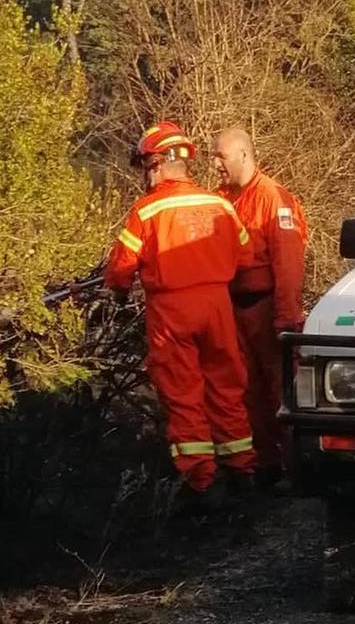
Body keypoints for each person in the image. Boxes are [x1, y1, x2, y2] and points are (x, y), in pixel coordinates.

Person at [105, 121, 257, 509]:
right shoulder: (220, 204)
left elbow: (122, 267)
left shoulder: (147, 209)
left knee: (183, 390)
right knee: (226, 385)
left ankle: (200, 482)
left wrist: (119, 292)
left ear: (156, 164)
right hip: (218, 306)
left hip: (172, 311)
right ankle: (242, 470)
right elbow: (246, 256)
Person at [212, 126, 308, 485]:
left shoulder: (273, 198)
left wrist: (285, 317)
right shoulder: (221, 199)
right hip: (233, 309)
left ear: (242, 154)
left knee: (281, 390)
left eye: (219, 155)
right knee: (245, 389)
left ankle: (295, 466)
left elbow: (288, 262)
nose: (215, 163)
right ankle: (263, 464)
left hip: (268, 308)